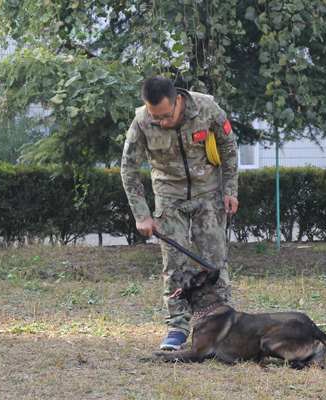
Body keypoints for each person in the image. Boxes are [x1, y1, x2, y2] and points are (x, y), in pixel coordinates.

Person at [120, 76, 239, 351]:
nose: (160, 121)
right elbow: (128, 169)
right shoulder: (140, 121)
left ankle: (222, 323)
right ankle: (178, 326)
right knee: (173, 266)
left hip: (208, 193)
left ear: (178, 101)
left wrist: (230, 188)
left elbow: (229, 147)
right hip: (168, 196)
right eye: (154, 116)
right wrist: (141, 214)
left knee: (213, 263)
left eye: (165, 115)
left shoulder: (207, 108)